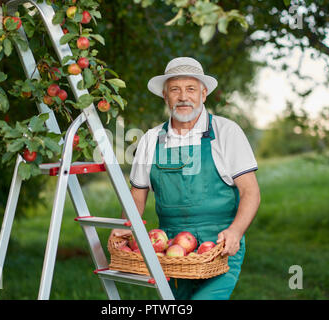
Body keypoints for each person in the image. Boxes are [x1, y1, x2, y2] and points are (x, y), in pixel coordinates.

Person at [110, 57, 260, 300]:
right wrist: (123, 232)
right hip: (168, 249)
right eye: (175, 89)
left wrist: (236, 231)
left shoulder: (225, 132)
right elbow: (137, 198)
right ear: (165, 95)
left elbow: (250, 192)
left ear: (203, 93)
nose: (183, 96)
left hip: (219, 247)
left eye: (190, 89)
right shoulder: (150, 139)